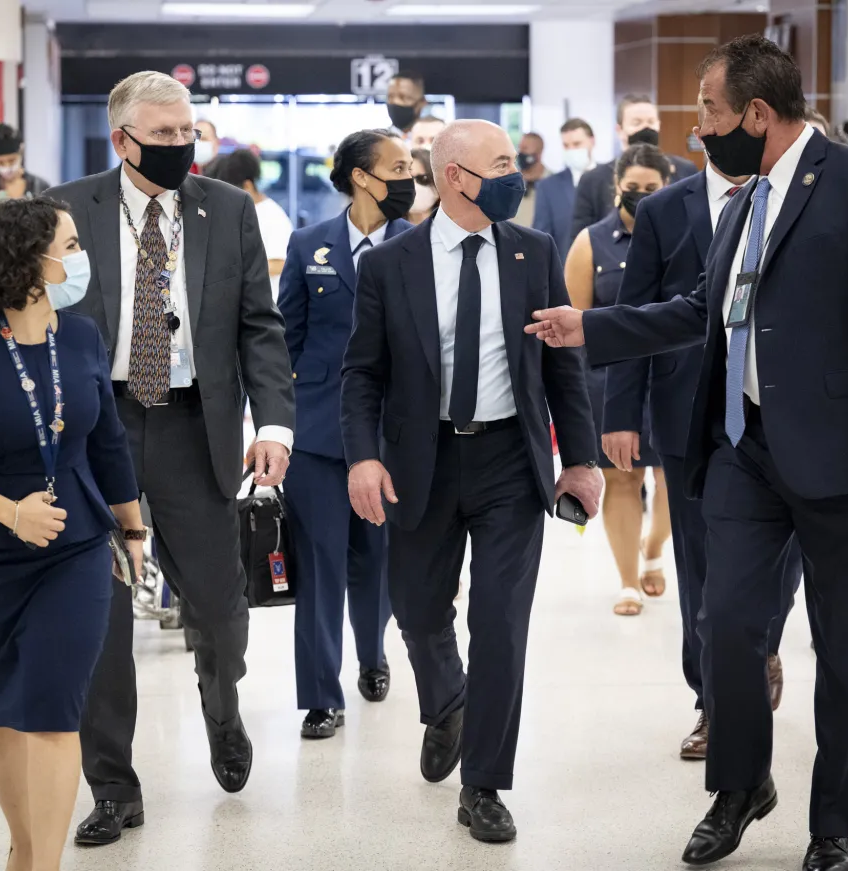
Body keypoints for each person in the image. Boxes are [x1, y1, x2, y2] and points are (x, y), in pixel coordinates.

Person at [526, 35, 848, 871]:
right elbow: (698, 309)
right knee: (724, 624)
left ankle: (832, 823)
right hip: (742, 449)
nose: (698, 136)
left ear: (758, 113)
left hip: (845, 458)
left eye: (710, 114)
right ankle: (741, 785)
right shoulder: (743, 199)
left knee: (845, 647)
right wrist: (593, 327)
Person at [48, 71, 296, 847]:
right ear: (122, 140)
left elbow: (260, 325)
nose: (179, 146)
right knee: (100, 614)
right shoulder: (67, 209)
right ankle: (114, 784)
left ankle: (223, 710)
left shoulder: (226, 211)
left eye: (187, 132)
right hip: (98, 428)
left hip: (197, 426)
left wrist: (276, 426)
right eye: (161, 136)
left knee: (221, 609)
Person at [341, 119, 603, 844]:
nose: (516, 174)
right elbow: (362, 373)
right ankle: (447, 700)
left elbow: (561, 366)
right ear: (455, 176)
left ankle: (484, 784)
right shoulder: (391, 266)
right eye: (501, 164)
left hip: (508, 465)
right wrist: (364, 456)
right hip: (419, 462)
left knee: (499, 624)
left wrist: (579, 458)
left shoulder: (534, 251)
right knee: (418, 611)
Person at [0, 196, 145, 871]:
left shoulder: (83, 337)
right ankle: (24, 843)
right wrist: (11, 511)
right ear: (29, 260)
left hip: (72, 548)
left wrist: (131, 527)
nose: (80, 258)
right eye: (70, 246)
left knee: (52, 706)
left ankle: (44, 863)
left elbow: (108, 444)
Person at [607, 110, 801, 757]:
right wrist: (619, 415)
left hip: (779, 418)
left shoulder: (789, 199)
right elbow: (637, 314)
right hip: (690, 417)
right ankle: (713, 702)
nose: (709, 126)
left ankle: (762, 645)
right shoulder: (664, 210)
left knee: (780, 561)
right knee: (700, 570)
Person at [277, 129, 415, 740]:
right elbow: (287, 340)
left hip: (391, 433)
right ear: (362, 175)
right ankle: (320, 696)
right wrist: (277, 425)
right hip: (317, 433)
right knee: (319, 562)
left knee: (379, 559)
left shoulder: (419, 246)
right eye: (399, 166)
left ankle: (373, 653)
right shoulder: (310, 245)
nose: (410, 177)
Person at [564, 144, 672, 617]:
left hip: (673, 375)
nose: (642, 196)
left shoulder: (688, 234)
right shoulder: (590, 241)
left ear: (668, 188)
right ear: (616, 189)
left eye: (653, 189)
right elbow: (573, 323)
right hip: (608, 380)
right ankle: (628, 580)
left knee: (675, 479)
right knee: (621, 479)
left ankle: (653, 547)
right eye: (633, 189)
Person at [571, 95, 699, 238]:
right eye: (636, 123)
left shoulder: (685, 170)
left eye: (651, 122)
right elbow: (580, 236)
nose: (645, 128)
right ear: (619, 130)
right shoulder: (593, 179)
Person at [210, 148, 294, 300]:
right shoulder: (237, 211)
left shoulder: (273, 216)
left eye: (231, 189)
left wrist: (235, 270)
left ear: (247, 186)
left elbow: (279, 263)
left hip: (265, 304)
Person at [533, 118, 597, 260]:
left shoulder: (611, 178)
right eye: (566, 145)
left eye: (577, 144)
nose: (572, 150)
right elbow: (541, 238)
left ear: (592, 141)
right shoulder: (548, 187)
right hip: (564, 272)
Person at [0, 123, 51, 213]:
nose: (7, 167)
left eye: (12, 160)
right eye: (0, 162)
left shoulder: (40, 186)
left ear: (21, 153)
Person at [512, 132, 549, 228]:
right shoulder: (510, 180)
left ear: (538, 153)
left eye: (525, 148)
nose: (520, 152)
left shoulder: (552, 182)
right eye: (519, 148)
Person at [409, 147, 439, 224]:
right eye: (408, 179)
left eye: (423, 179)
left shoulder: (453, 228)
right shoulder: (385, 230)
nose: (414, 185)